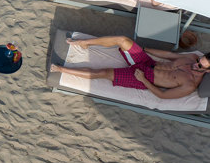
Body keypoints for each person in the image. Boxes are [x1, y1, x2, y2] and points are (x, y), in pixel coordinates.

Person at [50, 36, 210, 99]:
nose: (195, 64)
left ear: (208, 71)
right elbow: (168, 55)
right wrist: (145, 50)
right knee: (123, 40)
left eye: (200, 66)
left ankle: (61, 70)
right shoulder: (191, 57)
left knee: (103, 73)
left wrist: (143, 80)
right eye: (199, 60)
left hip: (144, 79)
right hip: (148, 63)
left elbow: (162, 95)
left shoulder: (189, 85)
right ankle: (85, 43)